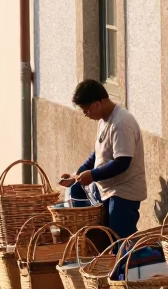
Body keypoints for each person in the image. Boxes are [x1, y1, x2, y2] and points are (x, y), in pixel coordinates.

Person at [58, 79, 147, 239]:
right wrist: (77, 174)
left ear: (97, 104)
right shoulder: (103, 120)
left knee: (121, 240)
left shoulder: (121, 123)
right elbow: (98, 152)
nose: (86, 115)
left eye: (86, 111)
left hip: (123, 192)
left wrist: (92, 175)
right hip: (106, 190)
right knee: (105, 238)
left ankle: (128, 263)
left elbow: (122, 162)